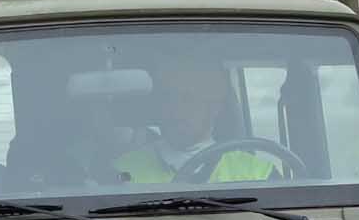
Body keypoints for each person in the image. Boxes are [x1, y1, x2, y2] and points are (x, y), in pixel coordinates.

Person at [109, 51, 281, 184]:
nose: (176, 109)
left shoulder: (261, 174)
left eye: (188, 99)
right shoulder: (122, 171)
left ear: (215, 106)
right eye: (168, 97)